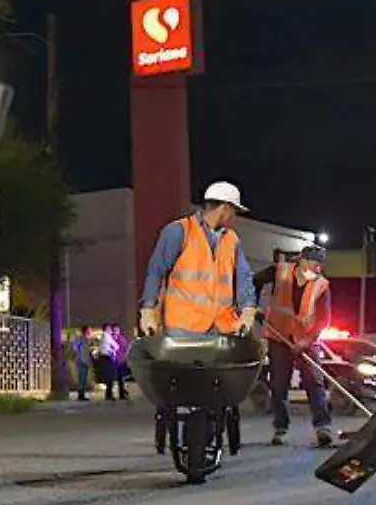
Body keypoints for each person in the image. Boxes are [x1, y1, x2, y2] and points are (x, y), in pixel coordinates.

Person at [137, 181, 259, 452]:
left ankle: (213, 430)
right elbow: (156, 270)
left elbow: (244, 278)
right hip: (185, 329)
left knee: (214, 390)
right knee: (186, 386)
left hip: (219, 329)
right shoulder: (178, 232)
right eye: (234, 211)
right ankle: (184, 430)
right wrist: (148, 310)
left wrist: (248, 309)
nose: (234, 217)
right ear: (225, 208)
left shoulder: (232, 240)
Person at [255, 246, 334, 448]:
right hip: (278, 337)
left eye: (320, 266)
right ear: (302, 261)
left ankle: (322, 427)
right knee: (279, 384)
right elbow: (253, 282)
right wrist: (253, 305)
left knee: (314, 382)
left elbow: (323, 320)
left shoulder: (322, 285)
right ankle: (280, 428)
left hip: (305, 339)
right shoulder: (279, 271)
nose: (316, 269)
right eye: (313, 264)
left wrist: (305, 342)